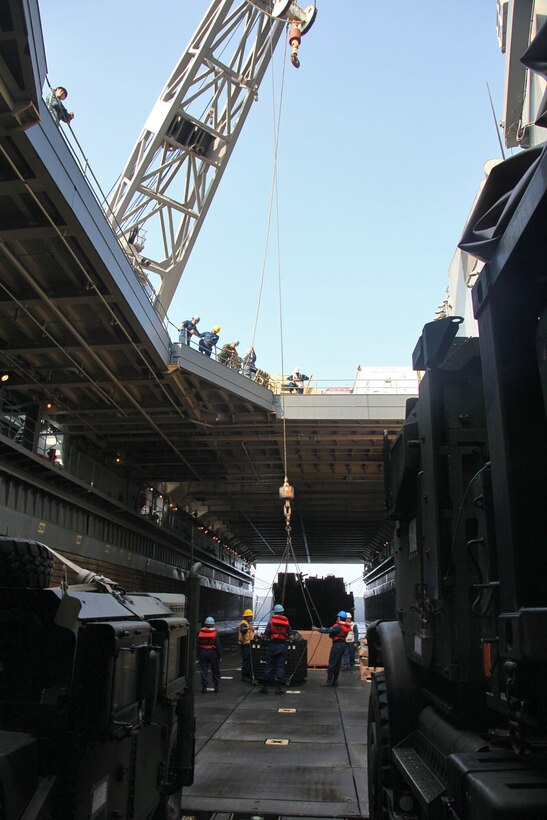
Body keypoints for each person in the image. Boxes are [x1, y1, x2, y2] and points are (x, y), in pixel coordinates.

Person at [260, 603, 295, 694]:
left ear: (274, 613)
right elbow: (291, 636)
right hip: (282, 647)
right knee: (280, 667)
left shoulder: (270, 623)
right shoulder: (286, 624)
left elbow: (266, 634)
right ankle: (278, 688)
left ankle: (265, 687)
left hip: (272, 646)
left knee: (269, 666)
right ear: (282, 612)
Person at [312, 610, 353, 687]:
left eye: (338, 617)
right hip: (343, 645)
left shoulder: (338, 627)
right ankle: (335, 681)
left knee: (332, 663)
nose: (337, 619)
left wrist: (317, 629)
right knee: (337, 664)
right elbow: (331, 629)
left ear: (340, 618)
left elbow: (328, 630)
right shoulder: (345, 626)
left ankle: (329, 681)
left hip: (337, 645)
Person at [197, 616, 222, 693]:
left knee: (203, 670)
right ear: (213, 624)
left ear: (205, 624)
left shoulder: (200, 633)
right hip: (213, 653)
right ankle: (216, 686)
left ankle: (204, 686)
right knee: (215, 670)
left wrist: (198, 655)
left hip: (203, 652)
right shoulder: (215, 633)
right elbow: (218, 645)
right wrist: (219, 655)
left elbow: (198, 644)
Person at [238, 608, 255, 682]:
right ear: (246, 617)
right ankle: (244, 676)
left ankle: (248, 674)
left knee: (249, 661)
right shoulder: (243, 623)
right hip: (245, 646)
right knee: (246, 661)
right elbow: (242, 629)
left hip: (249, 646)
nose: (251, 617)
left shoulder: (248, 624)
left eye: (251, 616)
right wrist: (249, 628)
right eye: (250, 616)